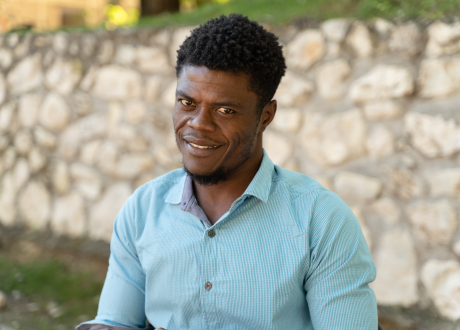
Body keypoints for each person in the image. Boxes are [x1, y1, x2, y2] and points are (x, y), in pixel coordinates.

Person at [78, 14, 378, 330]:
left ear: (265, 116)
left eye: (225, 110)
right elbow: (113, 322)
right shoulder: (142, 210)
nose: (198, 125)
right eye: (187, 102)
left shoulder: (321, 221)